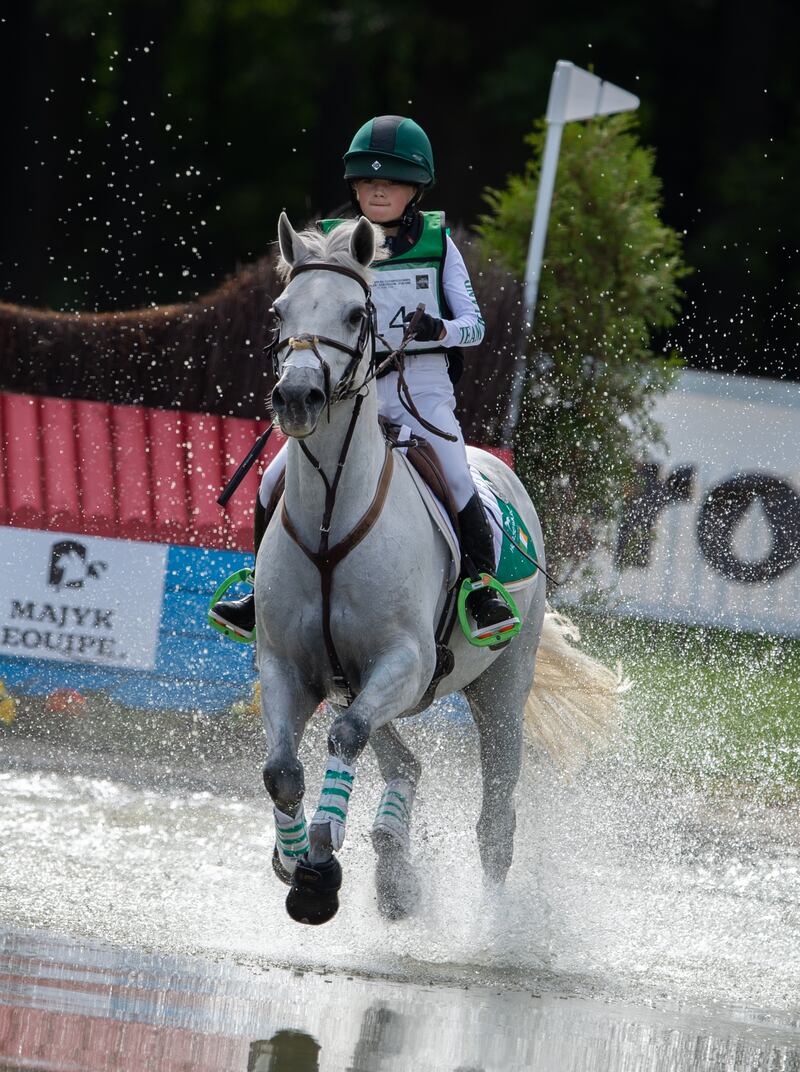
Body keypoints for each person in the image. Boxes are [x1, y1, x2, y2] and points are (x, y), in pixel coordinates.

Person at [210, 115, 515, 642]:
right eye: (369, 181)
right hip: (350, 392)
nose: (378, 190)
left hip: (421, 388)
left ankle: (480, 589)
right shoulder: (331, 247)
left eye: (392, 182)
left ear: (415, 190)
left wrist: (440, 328)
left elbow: (476, 326)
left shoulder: (439, 246)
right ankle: (262, 591)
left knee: (456, 475)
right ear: (354, 186)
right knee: (272, 478)